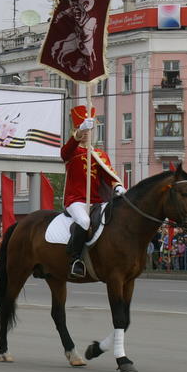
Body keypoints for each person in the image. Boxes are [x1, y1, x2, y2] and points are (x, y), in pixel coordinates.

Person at [60, 105, 125, 278]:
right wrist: (80, 131)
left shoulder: (100, 154)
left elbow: (109, 174)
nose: (87, 133)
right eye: (83, 129)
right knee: (84, 221)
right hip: (75, 200)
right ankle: (75, 260)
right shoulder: (71, 151)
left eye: (89, 129)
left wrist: (117, 186)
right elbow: (65, 152)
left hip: (96, 200)